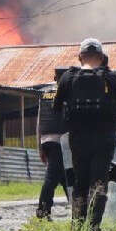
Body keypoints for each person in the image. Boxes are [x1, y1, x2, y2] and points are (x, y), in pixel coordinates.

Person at [51, 38, 116, 231]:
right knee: (99, 182)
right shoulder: (110, 78)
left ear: (80, 57)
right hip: (104, 139)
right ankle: (93, 228)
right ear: (102, 57)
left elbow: (56, 107)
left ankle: (77, 226)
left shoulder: (67, 78)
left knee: (80, 182)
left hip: (78, 139)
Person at [35, 71, 69, 220]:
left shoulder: (44, 94)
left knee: (66, 176)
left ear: (55, 78)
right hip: (61, 141)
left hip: (47, 141)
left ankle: (78, 210)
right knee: (53, 177)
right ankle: (42, 210)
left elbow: (38, 122)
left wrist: (40, 147)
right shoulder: (69, 92)